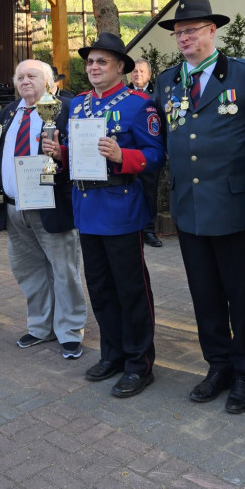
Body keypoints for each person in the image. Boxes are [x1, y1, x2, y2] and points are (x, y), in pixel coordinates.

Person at [154, 0, 245, 414]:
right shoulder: (168, 81)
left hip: (233, 204)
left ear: (212, 32)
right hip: (189, 205)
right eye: (179, 32)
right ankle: (217, 365)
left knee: (240, 294)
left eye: (193, 29)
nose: (184, 37)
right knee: (204, 294)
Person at [44, 32, 164, 398]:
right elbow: (78, 154)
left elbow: (156, 155)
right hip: (87, 206)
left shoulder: (138, 105)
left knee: (131, 290)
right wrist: (60, 154)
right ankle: (112, 354)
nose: (94, 67)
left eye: (102, 62)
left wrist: (121, 156)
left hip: (121, 205)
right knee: (100, 288)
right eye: (90, 62)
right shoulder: (77, 105)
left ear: (120, 68)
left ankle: (139, 364)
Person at [0, 59, 87, 359]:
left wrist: (62, 153)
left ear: (49, 80)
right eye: (20, 77)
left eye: (32, 76)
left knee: (64, 270)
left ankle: (69, 330)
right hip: (16, 208)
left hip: (50, 205)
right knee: (29, 271)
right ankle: (41, 327)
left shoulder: (65, 109)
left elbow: (77, 153)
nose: (25, 81)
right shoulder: (8, 112)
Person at [129, 59, 162, 247]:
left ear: (149, 75)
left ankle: (149, 231)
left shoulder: (158, 93)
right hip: (127, 153)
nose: (137, 74)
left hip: (149, 152)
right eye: (134, 71)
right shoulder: (124, 93)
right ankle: (133, 229)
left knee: (149, 192)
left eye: (142, 71)